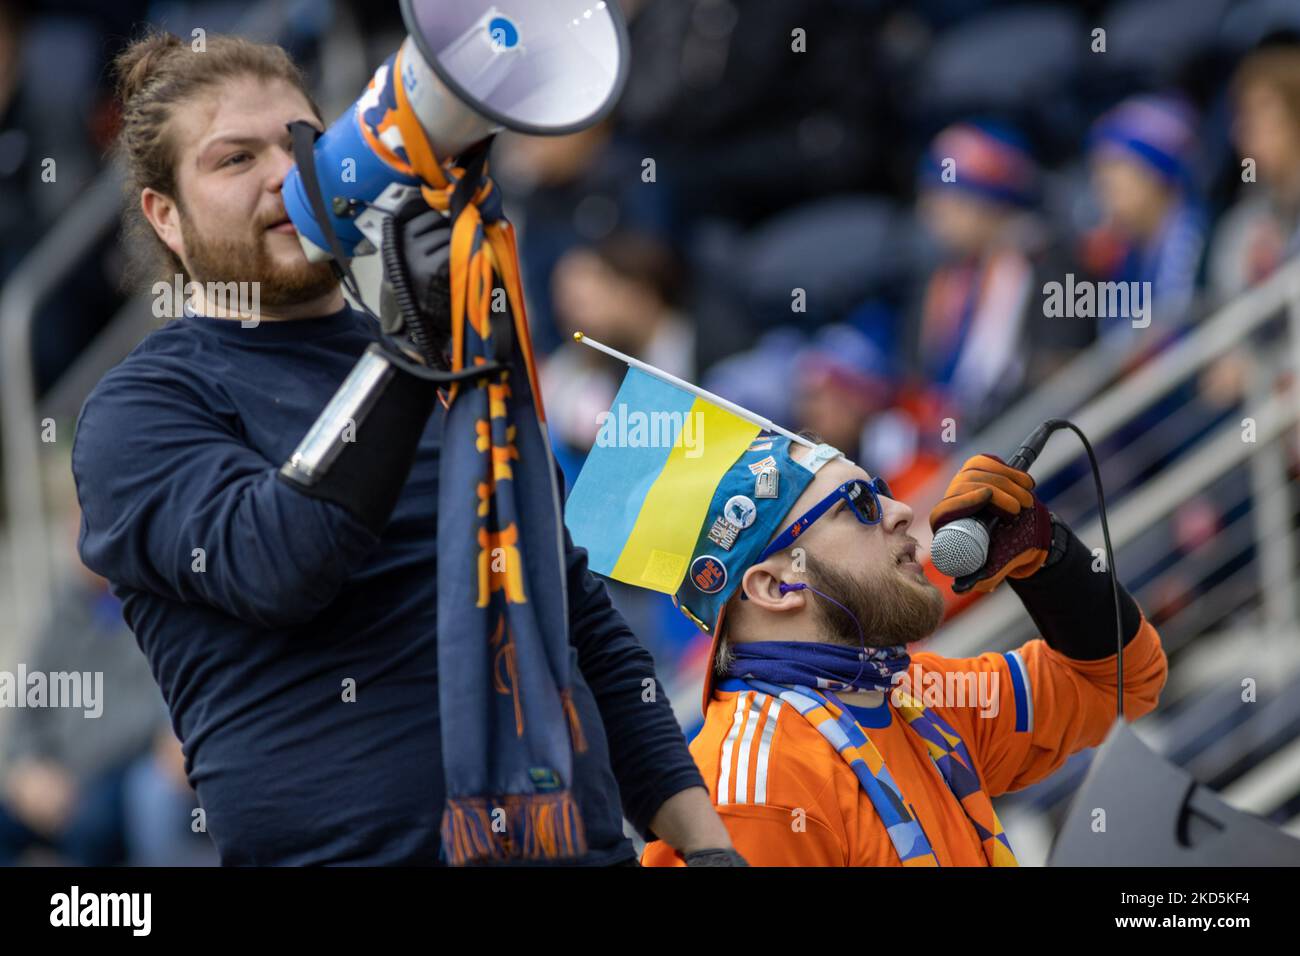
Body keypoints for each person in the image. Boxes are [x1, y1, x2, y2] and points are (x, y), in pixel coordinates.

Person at [71, 30, 739, 866]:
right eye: (234, 160)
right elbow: (278, 562)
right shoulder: (138, 409)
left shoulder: (436, 347)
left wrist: (707, 847)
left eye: (299, 143)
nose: (284, 175)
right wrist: (411, 359)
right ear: (164, 216)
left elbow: (581, 624)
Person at [640, 435, 1168, 865]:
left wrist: (1049, 558)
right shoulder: (754, 792)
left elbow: (1119, 683)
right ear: (777, 587)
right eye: (861, 506)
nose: (900, 511)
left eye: (882, 490)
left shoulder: (918, 694)